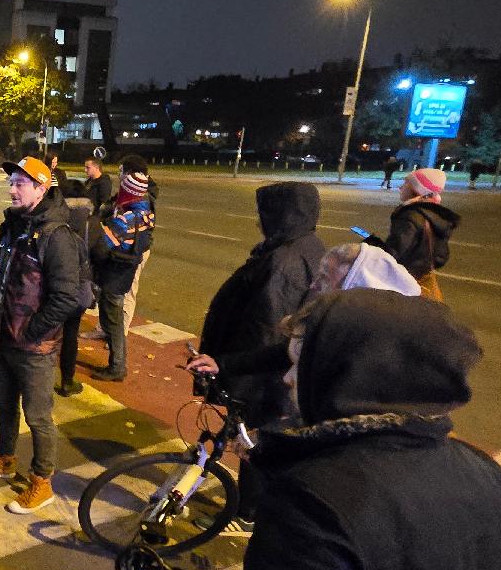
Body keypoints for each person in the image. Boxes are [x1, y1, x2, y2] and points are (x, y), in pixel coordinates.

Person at [173, 290, 501, 570]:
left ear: (346, 373)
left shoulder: (319, 502)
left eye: (301, 364)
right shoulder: (489, 477)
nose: (288, 378)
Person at [196, 182, 324, 523]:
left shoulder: (284, 262)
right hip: (278, 371)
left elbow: (266, 329)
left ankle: (248, 512)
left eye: (264, 214)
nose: (258, 222)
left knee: (253, 443)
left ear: (281, 216)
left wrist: (231, 370)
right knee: (262, 440)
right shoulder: (307, 246)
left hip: (263, 377)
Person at [0, 157, 82, 514]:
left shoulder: (56, 236)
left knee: (38, 416)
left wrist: (31, 332)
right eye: (11, 182)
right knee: (3, 404)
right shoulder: (15, 225)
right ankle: (4, 459)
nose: (12, 189)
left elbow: (66, 297)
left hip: (34, 346)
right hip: (5, 338)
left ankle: (41, 482)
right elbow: (3, 279)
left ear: (41, 188)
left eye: (20, 184)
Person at [185, 241, 421, 380]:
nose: (314, 285)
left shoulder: (373, 352)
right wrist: (223, 364)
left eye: (326, 278)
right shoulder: (335, 325)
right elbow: (286, 353)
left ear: (357, 290)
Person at [88, 170, 154, 382]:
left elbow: (101, 247)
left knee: (112, 320)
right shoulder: (146, 214)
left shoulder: (125, 220)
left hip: (113, 274)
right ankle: (117, 363)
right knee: (114, 319)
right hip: (126, 272)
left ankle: (117, 366)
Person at [379, 168, 458, 302]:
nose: (400, 187)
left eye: (405, 184)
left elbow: (392, 254)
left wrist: (374, 246)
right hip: (424, 278)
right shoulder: (432, 213)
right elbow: (440, 256)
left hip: (406, 282)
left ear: (417, 190)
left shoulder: (410, 217)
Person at [55, 177, 94, 397]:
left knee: (47, 333)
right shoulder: (92, 223)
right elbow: (99, 254)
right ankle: (67, 382)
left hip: (55, 287)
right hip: (78, 290)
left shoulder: (55, 220)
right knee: (71, 335)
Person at [116, 154, 156, 340]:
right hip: (122, 246)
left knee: (128, 290)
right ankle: (107, 329)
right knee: (113, 290)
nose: (119, 175)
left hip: (133, 249)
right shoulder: (129, 190)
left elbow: (140, 228)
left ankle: (119, 335)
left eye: (121, 171)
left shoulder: (142, 195)